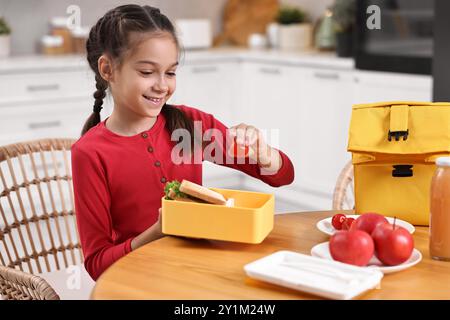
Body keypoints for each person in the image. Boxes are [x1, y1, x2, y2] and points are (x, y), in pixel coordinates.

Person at [71, 4, 295, 281]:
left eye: (171, 72)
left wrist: (264, 154)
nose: (162, 85)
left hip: (199, 270)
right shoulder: (90, 153)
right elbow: (97, 265)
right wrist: (159, 231)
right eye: (146, 72)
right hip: (139, 280)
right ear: (108, 69)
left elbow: (282, 176)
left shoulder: (189, 126)